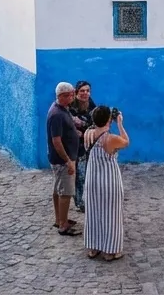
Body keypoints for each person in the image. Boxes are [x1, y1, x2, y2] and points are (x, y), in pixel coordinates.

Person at [82, 105, 128, 261]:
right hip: (109, 180)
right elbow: (126, 142)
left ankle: (93, 247)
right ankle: (110, 250)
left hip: (92, 179)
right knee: (111, 215)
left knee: (93, 213)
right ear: (109, 119)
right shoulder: (110, 139)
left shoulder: (88, 134)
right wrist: (120, 123)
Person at [47, 82, 81, 236]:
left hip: (60, 158)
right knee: (65, 192)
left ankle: (59, 218)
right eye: (70, 95)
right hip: (63, 160)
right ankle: (63, 224)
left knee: (58, 189)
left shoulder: (61, 109)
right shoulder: (57, 114)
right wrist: (68, 160)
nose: (73, 97)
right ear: (62, 96)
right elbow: (56, 141)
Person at [68, 81, 97, 213]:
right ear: (76, 92)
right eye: (82, 91)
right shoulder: (70, 106)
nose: (85, 93)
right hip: (75, 146)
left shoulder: (90, 103)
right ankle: (80, 201)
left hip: (88, 144)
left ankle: (87, 198)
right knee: (79, 174)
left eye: (87, 90)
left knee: (87, 173)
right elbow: (68, 124)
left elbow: (96, 121)